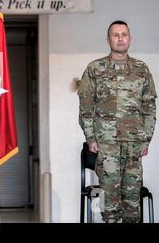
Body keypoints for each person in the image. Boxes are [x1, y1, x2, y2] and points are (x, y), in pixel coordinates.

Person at [78, 20, 157, 223]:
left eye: (124, 34)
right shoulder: (95, 69)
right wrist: (91, 137)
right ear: (108, 39)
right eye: (115, 35)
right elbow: (86, 106)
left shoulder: (141, 69)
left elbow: (149, 108)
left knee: (132, 202)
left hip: (133, 146)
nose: (120, 38)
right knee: (108, 201)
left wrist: (146, 140)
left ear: (130, 39)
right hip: (106, 145)